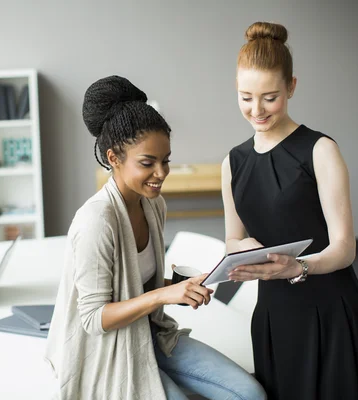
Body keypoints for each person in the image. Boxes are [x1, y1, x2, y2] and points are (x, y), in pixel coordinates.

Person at [45, 76, 265, 400]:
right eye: (147, 163)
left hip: (152, 335)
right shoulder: (96, 221)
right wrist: (163, 296)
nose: (161, 173)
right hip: (108, 353)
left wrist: (179, 287)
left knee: (251, 394)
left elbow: (138, 286)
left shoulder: (153, 205)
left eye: (166, 161)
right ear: (113, 158)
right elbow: (93, 318)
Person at [223, 22, 358, 399]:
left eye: (270, 97)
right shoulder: (233, 162)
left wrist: (300, 266)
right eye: (246, 97)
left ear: (291, 87)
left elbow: (345, 247)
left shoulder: (320, 150)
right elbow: (232, 237)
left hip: (331, 315)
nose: (256, 110)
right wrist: (239, 250)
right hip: (274, 319)